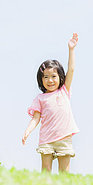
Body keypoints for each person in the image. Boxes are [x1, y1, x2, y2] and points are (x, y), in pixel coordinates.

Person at [22, 34, 79, 173]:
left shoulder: (64, 91)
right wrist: (27, 131)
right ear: (40, 80)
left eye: (54, 76)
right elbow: (35, 118)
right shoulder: (40, 98)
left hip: (64, 137)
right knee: (46, 170)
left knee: (64, 172)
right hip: (46, 138)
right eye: (45, 77)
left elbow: (71, 69)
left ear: (60, 77)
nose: (50, 80)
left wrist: (71, 49)